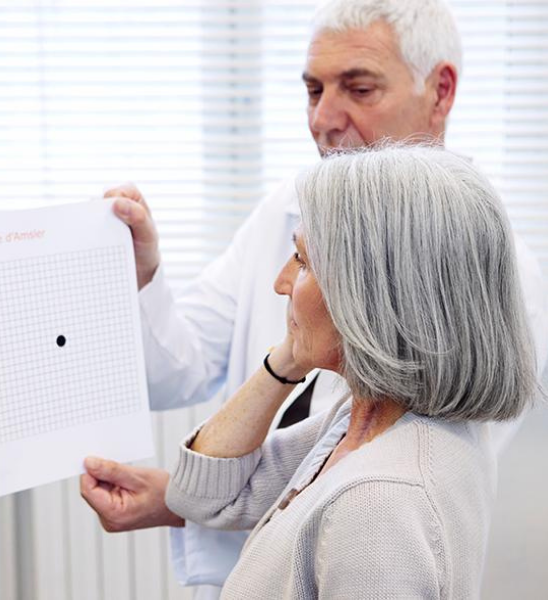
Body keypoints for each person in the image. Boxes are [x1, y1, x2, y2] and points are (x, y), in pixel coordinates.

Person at [80, 0, 548, 596]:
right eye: (312, 89)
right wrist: (150, 279)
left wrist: (174, 502)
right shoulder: (346, 416)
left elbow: (374, 487)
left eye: (358, 88)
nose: (324, 118)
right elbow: (186, 377)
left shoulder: (486, 281)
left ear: (441, 91)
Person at [164, 146, 539, 598]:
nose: (281, 282)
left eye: (301, 260)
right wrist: (290, 355)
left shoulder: (378, 502)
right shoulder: (365, 419)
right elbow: (202, 495)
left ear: (372, 290)